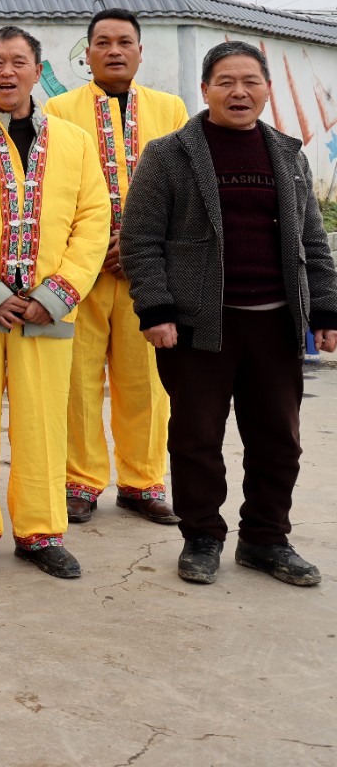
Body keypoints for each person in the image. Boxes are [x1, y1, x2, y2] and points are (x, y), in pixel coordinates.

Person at [121, 41, 337, 587]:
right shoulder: (168, 155)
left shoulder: (287, 154)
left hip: (275, 323)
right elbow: (140, 240)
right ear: (206, 89)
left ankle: (266, 539)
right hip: (198, 325)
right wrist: (155, 309)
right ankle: (201, 537)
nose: (239, 92)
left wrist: (326, 309)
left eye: (250, 81)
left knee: (278, 440)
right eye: (225, 82)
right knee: (196, 438)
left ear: (266, 89)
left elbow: (313, 241)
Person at [0, 26, 108, 579]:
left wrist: (57, 294)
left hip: (46, 313)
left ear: (37, 70)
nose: (8, 72)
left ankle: (40, 533)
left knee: (43, 425)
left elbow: (92, 221)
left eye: (19, 61)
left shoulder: (76, 142)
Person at [43, 9, 188, 525]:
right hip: (81, 273)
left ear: (140, 52)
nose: (114, 51)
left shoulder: (171, 109)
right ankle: (80, 482)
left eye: (124, 42)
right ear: (87, 54)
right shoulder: (57, 110)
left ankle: (142, 482)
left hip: (148, 275)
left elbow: (183, 189)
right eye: (102, 42)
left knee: (145, 382)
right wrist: (91, 249)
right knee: (78, 383)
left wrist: (139, 247)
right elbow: (53, 189)